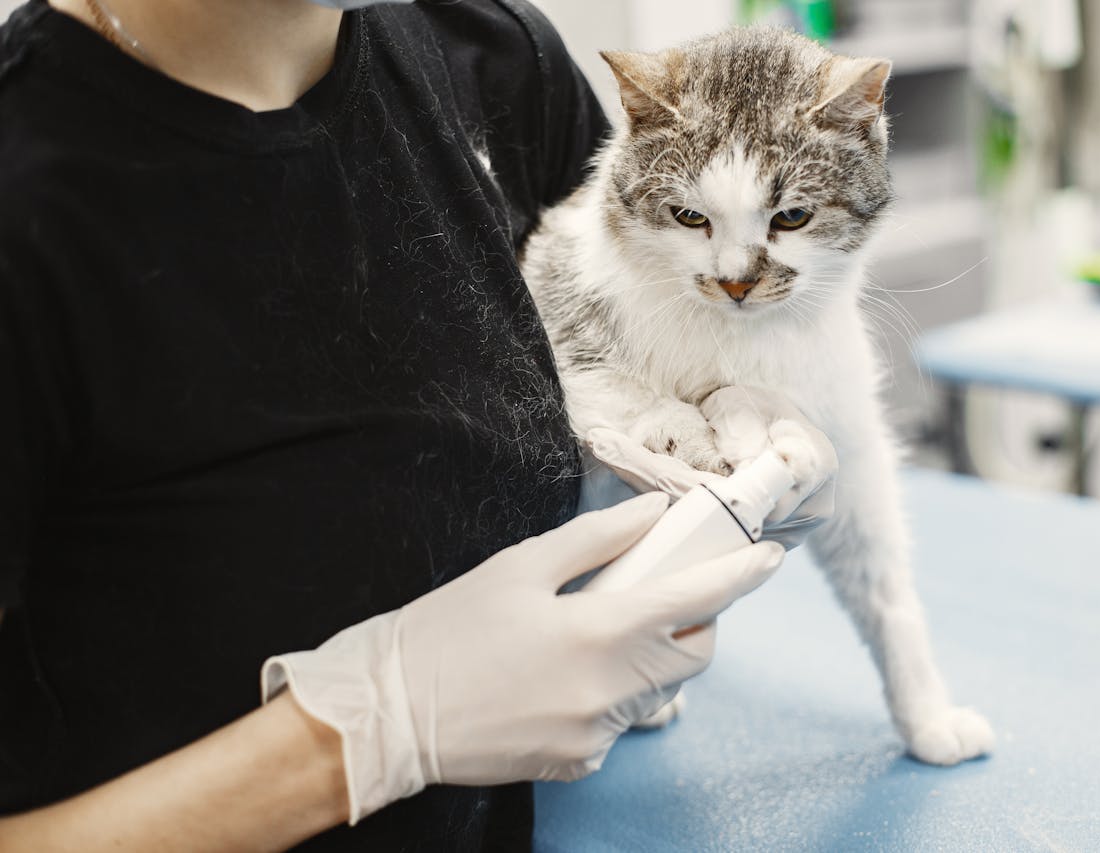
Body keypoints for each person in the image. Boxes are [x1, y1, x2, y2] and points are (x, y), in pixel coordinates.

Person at [0, 0, 832, 849]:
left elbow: (667, 333)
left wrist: (739, 421)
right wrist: (363, 736)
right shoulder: (31, 199)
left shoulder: (493, 60)